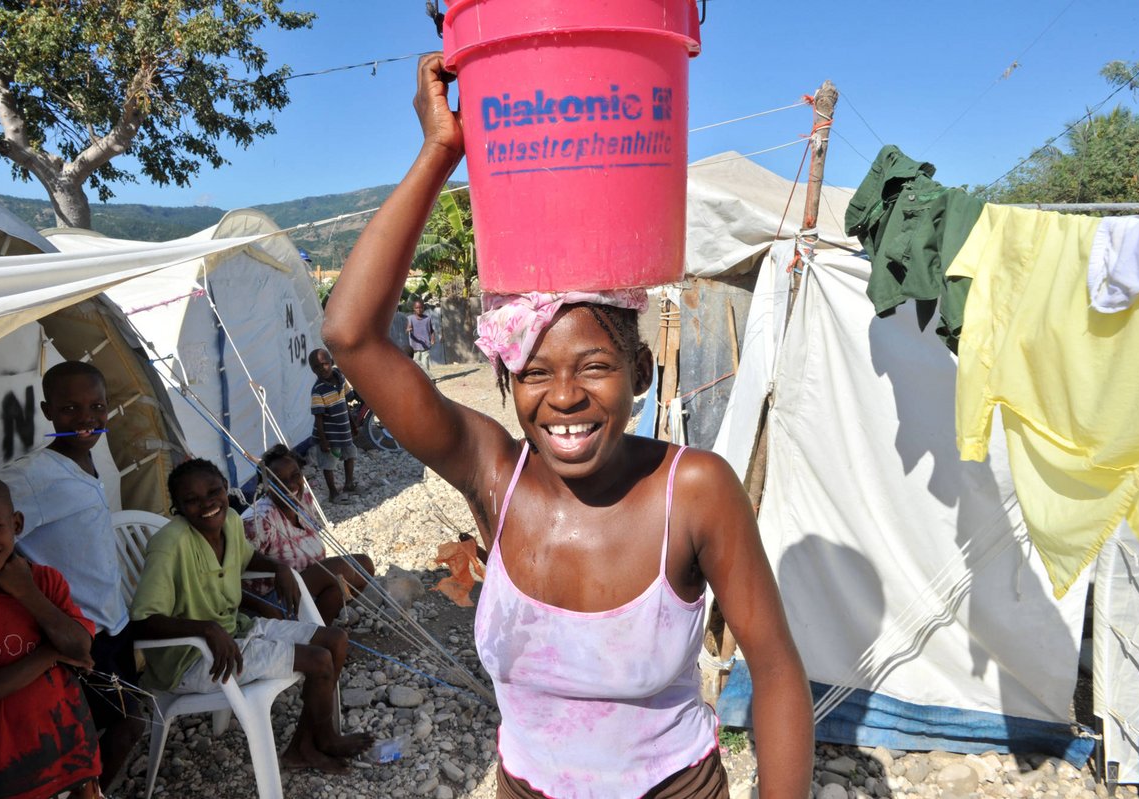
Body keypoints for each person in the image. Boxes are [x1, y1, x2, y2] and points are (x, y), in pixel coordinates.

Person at [321, 54, 813, 799]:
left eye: (593, 366)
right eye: (536, 373)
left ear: (640, 373)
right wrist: (439, 151)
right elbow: (351, 335)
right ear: (506, 383)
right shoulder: (494, 475)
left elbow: (775, 671)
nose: (565, 397)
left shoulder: (695, 490)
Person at [129, 458, 372, 773]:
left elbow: (244, 557)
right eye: (192, 500)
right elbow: (141, 623)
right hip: (191, 659)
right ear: (177, 508)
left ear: (226, 489)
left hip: (234, 631)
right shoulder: (169, 545)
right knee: (319, 660)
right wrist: (206, 630)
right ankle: (314, 744)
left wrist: (278, 567)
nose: (207, 505)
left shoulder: (229, 520)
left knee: (336, 640)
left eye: (214, 492)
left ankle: (311, 742)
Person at [0, 361, 143, 792]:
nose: (85, 419)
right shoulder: (33, 477)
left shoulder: (85, 463)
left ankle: (92, 789)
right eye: (69, 409)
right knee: (118, 727)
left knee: (120, 724)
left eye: (96, 407)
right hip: (82, 634)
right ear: (47, 411)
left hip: (113, 623)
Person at [0, 475, 102, 799]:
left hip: (69, 743)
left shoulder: (44, 581)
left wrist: (27, 592)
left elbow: (79, 645)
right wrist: (51, 654)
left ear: (16, 523)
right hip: (4, 767)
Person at [242, 444, 376, 624]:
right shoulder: (258, 521)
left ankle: (320, 630)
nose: (290, 485)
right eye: (278, 480)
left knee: (364, 565)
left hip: (308, 588)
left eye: (295, 475)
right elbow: (235, 574)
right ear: (265, 485)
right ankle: (314, 634)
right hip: (275, 601)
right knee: (341, 570)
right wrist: (265, 607)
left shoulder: (304, 500)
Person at [308, 348, 358, 504]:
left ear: (332, 362)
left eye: (324, 364)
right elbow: (319, 418)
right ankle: (333, 493)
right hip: (329, 435)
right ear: (312, 370)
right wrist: (323, 441)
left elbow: (345, 402)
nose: (321, 369)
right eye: (316, 367)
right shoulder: (317, 391)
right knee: (329, 463)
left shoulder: (340, 378)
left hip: (343, 430)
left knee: (350, 454)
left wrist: (352, 424)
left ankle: (348, 484)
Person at [406, 298, 436, 376]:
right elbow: (407, 329)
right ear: (413, 309)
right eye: (417, 308)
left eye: (421, 308)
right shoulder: (410, 318)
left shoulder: (427, 319)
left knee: (425, 365)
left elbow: (432, 331)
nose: (419, 309)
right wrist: (408, 329)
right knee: (416, 365)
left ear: (423, 308)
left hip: (426, 346)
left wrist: (433, 339)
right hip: (415, 347)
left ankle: (428, 379)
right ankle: (418, 379)